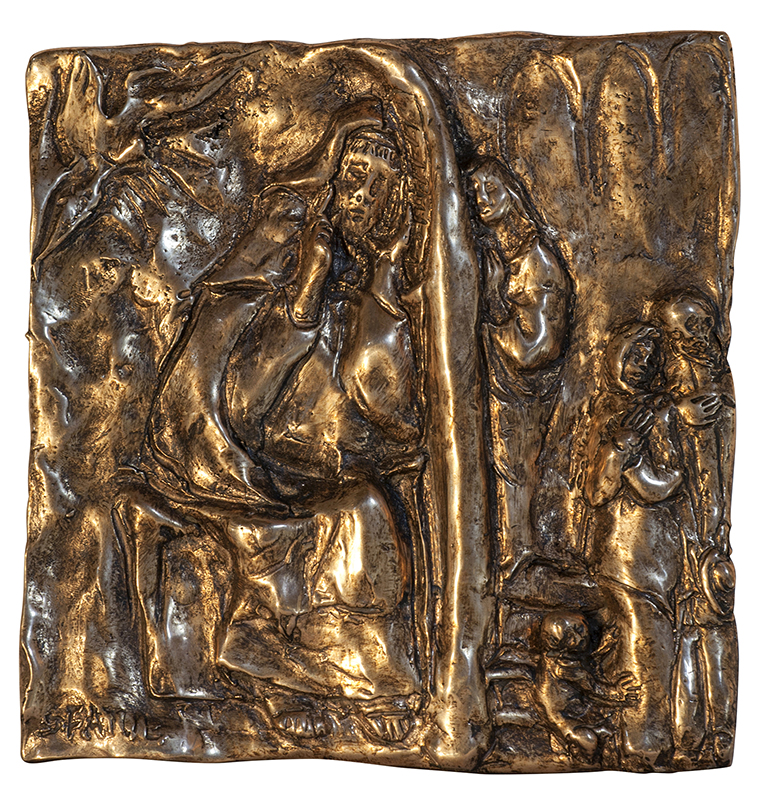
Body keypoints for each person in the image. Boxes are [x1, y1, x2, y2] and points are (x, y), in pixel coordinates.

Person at [123, 126, 425, 744]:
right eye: (354, 177)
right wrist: (309, 290)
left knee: (367, 507)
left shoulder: (378, 281)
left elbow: (378, 401)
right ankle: (302, 666)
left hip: (301, 464)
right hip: (228, 459)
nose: (361, 196)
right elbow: (242, 400)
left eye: (378, 186)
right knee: (361, 512)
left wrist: (382, 282)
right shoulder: (284, 256)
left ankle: (322, 667)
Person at [583, 322, 685, 769]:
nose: (641, 365)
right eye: (633, 355)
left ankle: (646, 735)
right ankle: (642, 738)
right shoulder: (608, 415)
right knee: (641, 638)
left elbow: (671, 479)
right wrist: (620, 452)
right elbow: (597, 491)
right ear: (616, 358)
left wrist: (637, 464)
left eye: (648, 357)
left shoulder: (661, 412)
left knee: (653, 638)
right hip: (623, 552)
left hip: (658, 550)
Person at [467, 157, 570, 572]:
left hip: (524, 389)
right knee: (501, 464)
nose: (482, 199)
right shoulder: (498, 254)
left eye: (491, 189)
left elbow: (538, 349)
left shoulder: (538, 265)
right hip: (503, 381)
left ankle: (520, 553)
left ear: (513, 194)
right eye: (475, 192)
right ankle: (511, 552)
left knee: (515, 466)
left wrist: (487, 330)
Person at [653, 292, 737, 766]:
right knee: (686, 624)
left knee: (712, 620)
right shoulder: (669, 382)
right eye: (685, 329)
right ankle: (688, 732)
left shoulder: (716, 376)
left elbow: (722, 441)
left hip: (709, 521)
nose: (696, 337)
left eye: (701, 325)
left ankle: (716, 731)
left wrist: (718, 521)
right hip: (680, 521)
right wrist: (674, 412)